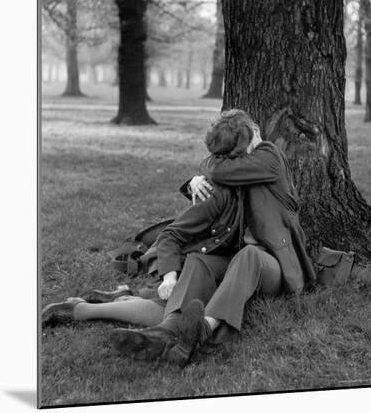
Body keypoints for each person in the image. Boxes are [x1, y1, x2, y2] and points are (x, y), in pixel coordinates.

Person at [109, 109, 316, 367]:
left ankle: (203, 329)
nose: (257, 137)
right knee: (199, 261)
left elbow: (219, 170)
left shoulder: (270, 156)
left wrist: (201, 172)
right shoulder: (232, 176)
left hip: (274, 267)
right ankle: (168, 330)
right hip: (236, 264)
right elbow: (219, 176)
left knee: (249, 255)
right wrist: (195, 182)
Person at [42, 112, 246, 358]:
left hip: (211, 264)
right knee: (171, 312)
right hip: (184, 261)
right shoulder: (214, 193)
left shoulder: (250, 179)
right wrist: (170, 278)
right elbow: (172, 236)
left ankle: (120, 298)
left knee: (179, 312)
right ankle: (80, 310)